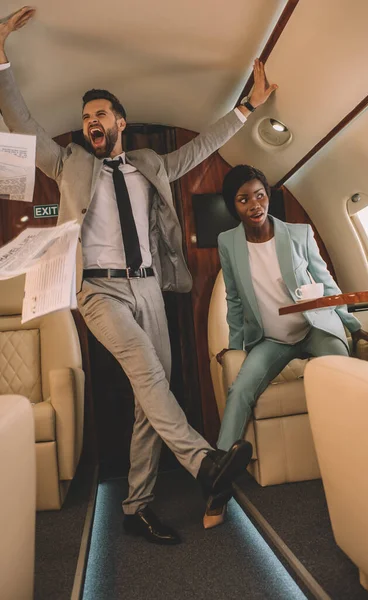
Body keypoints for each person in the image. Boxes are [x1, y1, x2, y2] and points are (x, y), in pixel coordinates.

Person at [0, 7, 279, 542]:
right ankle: (205, 464)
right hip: (99, 289)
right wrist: (1, 56)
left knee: (153, 393)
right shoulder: (69, 164)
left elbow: (200, 148)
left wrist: (246, 107)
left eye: (100, 115)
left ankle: (137, 505)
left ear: (119, 122)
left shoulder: (152, 164)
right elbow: (22, 123)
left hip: (150, 284)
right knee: (149, 377)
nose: (91, 123)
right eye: (86, 118)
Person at [203, 164, 368, 529]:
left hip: (313, 329)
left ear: (268, 196)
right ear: (234, 206)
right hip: (271, 340)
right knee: (240, 390)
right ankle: (217, 481)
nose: (254, 204)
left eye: (259, 195)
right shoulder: (228, 243)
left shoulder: (299, 233)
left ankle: (360, 459)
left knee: (343, 367)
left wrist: (352, 326)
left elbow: (327, 285)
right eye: (244, 199)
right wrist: (234, 347)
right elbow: (233, 299)